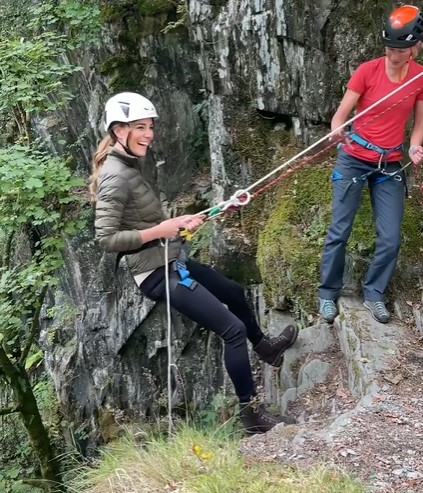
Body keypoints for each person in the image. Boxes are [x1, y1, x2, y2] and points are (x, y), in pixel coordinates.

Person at [90, 92, 299, 434]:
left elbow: (141, 221)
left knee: (232, 291)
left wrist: (182, 222)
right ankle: (252, 416)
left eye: (150, 127)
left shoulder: (127, 165)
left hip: (168, 260)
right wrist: (162, 229)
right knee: (231, 330)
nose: (149, 134)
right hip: (156, 274)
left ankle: (265, 349)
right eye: (140, 127)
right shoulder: (116, 175)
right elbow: (107, 239)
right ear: (118, 131)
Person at [318, 5, 423, 325]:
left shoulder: (419, 77)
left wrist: (416, 146)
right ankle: (327, 293)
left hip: (389, 163)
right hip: (354, 158)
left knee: (390, 237)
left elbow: (419, 123)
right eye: (390, 48)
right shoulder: (367, 71)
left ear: (414, 47)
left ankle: (374, 293)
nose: (394, 55)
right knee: (339, 230)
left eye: (401, 49)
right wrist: (337, 128)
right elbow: (341, 114)